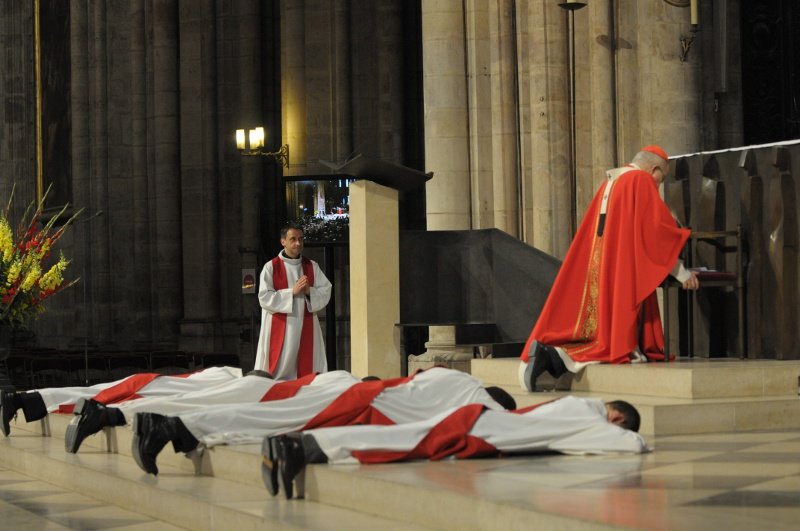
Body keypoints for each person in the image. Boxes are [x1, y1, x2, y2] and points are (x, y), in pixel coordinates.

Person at [519, 146, 700, 392]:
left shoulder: (613, 180)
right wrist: (681, 272)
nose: (659, 183)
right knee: (607, 342)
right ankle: (552, 357)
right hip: (621, 264)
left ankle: (551, 356)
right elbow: (655, 232)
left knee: (598, 330)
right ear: (654, 168)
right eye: (662, 177)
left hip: (603, 260)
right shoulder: (640, 180)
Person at [129, 367, 517, 475]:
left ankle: (168, 426)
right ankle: (166, 427)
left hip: (365, 399)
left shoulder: (457, 378)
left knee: (268, 418)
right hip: (365, 409)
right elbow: (495, 424)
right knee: (266, 419)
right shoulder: (480, 398)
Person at [265, 396, 647, 499]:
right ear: (617, 417)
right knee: (400, 443)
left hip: (480, 421)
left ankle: (292, 445)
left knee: (402, 438)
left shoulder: (578, 405)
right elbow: (631, 444)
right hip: (482, 430)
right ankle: (301, 450)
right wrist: (640, 440)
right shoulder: (590, 417)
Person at [64, 369, 360, 453]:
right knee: (192, 404)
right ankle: (112, 415)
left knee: (186, 401)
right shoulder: (351, 382)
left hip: (268, 388)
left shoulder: (340, 379)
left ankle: (107, 414)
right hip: (272, 392)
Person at [0, 365, 242, 437]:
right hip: (150, 388)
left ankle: (22, 399)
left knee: (93, 392)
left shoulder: (228, 374)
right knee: (94, 396)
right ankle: (22, 400)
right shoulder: (231, 377)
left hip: (150, 384)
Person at [254, 224, 332, 380]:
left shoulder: (311, 266)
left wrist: (309, 291)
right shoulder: (271, 267)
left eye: (301, 239)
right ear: (283, 241)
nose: (298, 243)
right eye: (293, 239)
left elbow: (326, 290)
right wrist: (292, 292)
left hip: (306, 324)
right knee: (279, 366)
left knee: (307, 368)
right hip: (281, 325)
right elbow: (264, 297)